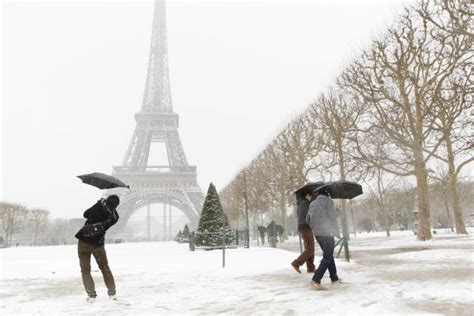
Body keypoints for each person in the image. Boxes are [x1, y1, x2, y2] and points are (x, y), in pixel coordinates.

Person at [75, 195, 120, 301]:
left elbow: (85, 214)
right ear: (116, 205)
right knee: (105, 268)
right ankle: (112, 292)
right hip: (98, 244)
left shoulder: (99, 206)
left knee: (85, 271)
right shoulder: (114, 217)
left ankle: (91, 295)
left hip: (84, 241)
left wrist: (99, 203)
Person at [306, 189, 341, 290]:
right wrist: (338, 211)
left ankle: (334, 278)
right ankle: (316, 279)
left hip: (317, 234)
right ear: (327, 194)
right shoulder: (328, 201)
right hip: (327, 233)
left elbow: (307, 220)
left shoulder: (312, 203)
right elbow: (333, 216)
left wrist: (315, 227)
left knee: (328, 255)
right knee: (327, 257)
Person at [291, 192, 315, 273]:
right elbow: (308, 215)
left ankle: (310, 268)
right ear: (305, 195)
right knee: (310, 248)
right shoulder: (305, 203)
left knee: (309, 247)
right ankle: (296, 263)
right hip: (306, 226)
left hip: (303, 227)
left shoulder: (300, 204)